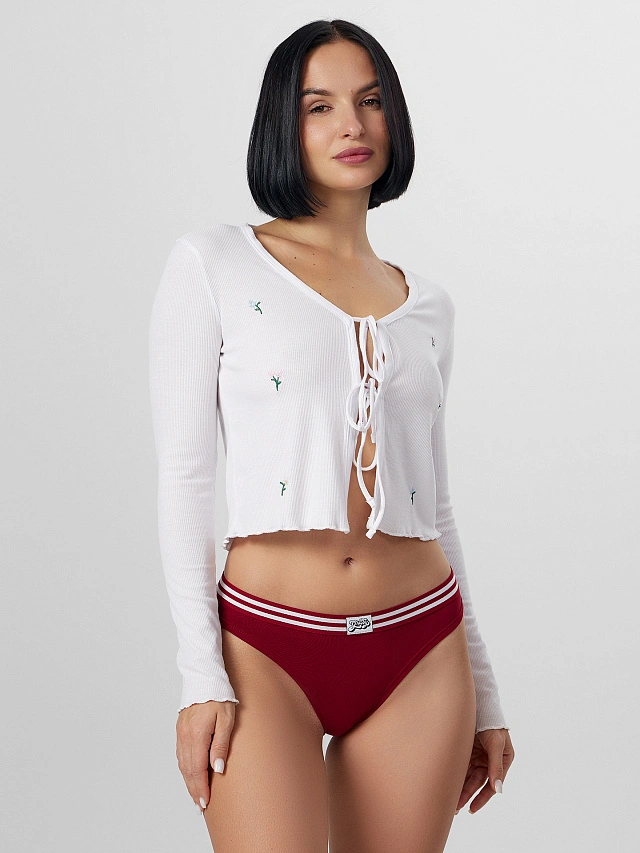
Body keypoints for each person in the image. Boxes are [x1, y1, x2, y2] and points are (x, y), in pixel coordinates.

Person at [149, 18, 515, 853]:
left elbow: (437, 507)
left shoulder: (428, 305)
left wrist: (486, 693)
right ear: (283, 122)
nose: (352, 124)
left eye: (370, 101)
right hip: (264, 650)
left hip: (421, 650)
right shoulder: (214, 264)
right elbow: (184, 478)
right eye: (320, 106)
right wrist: (200, 673)